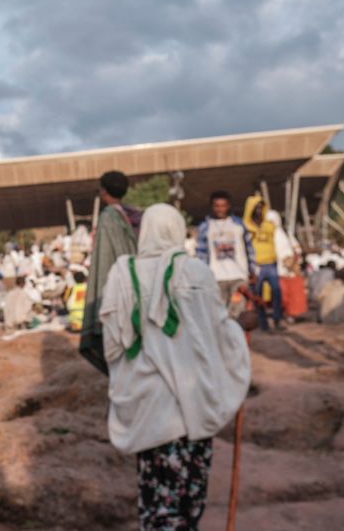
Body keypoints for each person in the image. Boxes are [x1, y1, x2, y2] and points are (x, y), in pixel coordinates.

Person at [99, 204, 251, 529]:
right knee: (190, 497)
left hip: (147, 408)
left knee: (157, 497)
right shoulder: (194, 272)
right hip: (191, 407)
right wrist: (240, 328)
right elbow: (217, 333)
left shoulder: (121, 274)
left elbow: (111, 345)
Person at [80, 171, 139, 374]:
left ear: (104, 192)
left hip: (115, 286)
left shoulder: (108, 217)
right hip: (133, 284)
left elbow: (104, 260)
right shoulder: (130, 215)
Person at [196, 190, 256, 317]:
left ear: (228, 206)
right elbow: (201, 254)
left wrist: (253, 270)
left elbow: (249, 248)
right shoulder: (205, 227)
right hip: (216, 279)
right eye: (217, 206)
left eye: (223, 205)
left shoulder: (238, 225)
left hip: (239, 277)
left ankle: (238, 337)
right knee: (220, 315)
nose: (220, 209)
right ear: (212, 207)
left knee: (238, 314)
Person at [243, 195, 283, 331]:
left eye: (261, 208)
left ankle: (277, 320)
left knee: (277, 292)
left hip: (271, 264)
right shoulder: (245, 228)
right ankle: (263, 324)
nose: (259, 211)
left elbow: (277, 240)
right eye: (256, 208)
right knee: (257, 297)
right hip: (256, 266)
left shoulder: (269, 226)